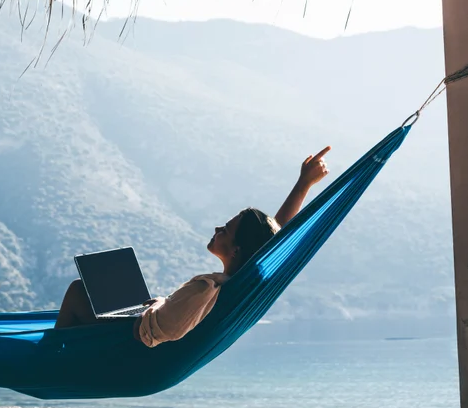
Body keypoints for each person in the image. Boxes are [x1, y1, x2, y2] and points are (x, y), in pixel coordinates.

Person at [54, 146, 332, 347]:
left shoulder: (207, 289)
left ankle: (50, 356)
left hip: (131, 343)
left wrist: (160, 304)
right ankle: (57, 350)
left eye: (225, 230)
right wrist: (303, 184)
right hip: (143, 329)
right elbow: (274, 238)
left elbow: (163, 332)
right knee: (100, 293)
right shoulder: (243, 281)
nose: (217, 229)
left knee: (79, 290)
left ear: (236, 250)